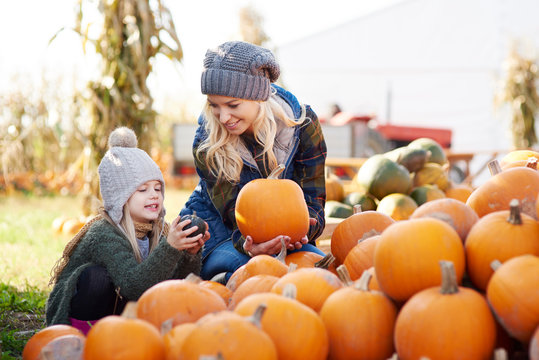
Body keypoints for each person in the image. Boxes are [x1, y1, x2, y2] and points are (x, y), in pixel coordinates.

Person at [180, 41, 327, 283]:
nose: (223, 117)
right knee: (249, 273)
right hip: (221, 231)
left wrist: (304, 230)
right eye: (214, 105)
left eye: (233, 105)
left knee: (316, 270)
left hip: (284, 236)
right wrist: (251, 247)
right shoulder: (208, 140)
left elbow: (314, 199)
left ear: (258, 97)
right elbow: (231, 214)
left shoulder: (303, 126)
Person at [46, 127, 208, 333]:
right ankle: (83, 336)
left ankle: (121, 335)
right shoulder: (104, 233)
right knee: (97, 277)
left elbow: (173, 285)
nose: (154, 195)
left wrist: (188, 254)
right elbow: (134, 286)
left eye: (158, 188)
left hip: (121, 313)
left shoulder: (159, 231)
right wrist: (169, 248)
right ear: (120, 198)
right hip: (83, 312)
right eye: (142, 189)